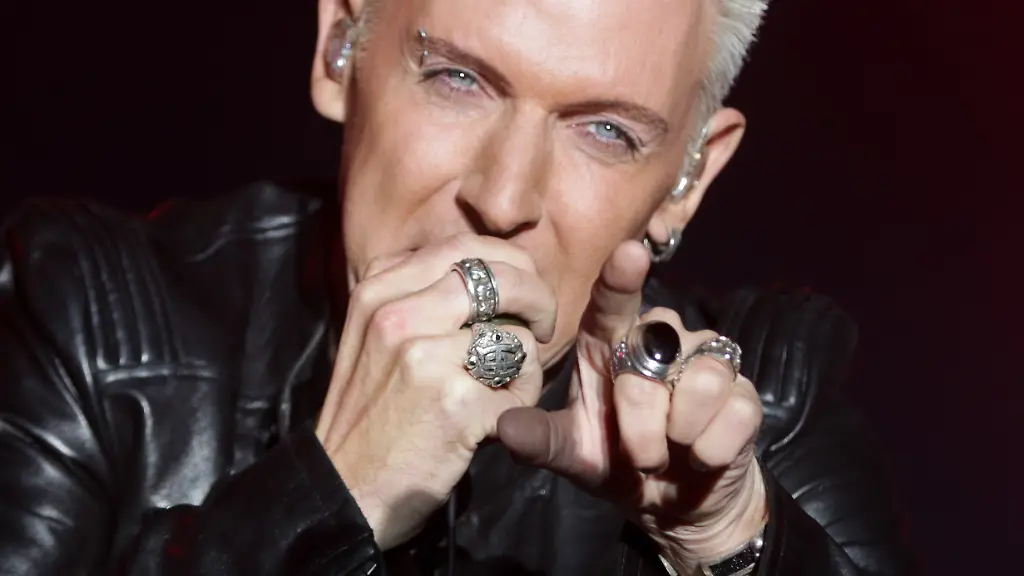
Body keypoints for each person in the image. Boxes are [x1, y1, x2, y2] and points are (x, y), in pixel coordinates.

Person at [0, 0, 913, 574]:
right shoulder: (90, 316)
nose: (503, 199)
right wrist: (329, 495)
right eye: (458, 79)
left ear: (688, 179)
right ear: (339, 44)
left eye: (604, 131)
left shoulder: (765, 401)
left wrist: (725, 544)